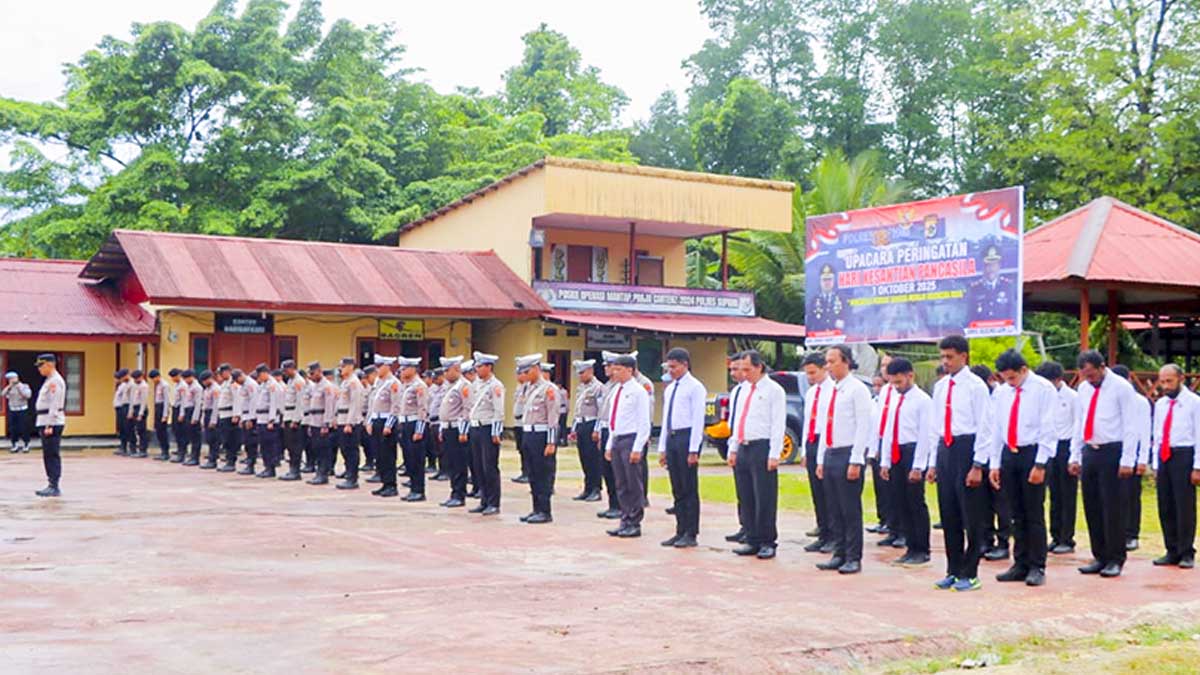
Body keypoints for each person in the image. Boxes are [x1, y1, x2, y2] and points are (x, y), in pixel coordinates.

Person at [930, 335, 995, 593]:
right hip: (946, 449)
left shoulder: (976, 386)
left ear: (963, 357)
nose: (945, 362)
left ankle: (971, 571)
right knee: (949, 514)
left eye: (950, 357)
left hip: (967, 449)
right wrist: (933, 463)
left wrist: (978, 464)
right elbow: (935, 425)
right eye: (943, 357)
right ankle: (953, 569)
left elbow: (985, 426)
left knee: (972, 515)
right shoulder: (941, 386)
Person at [1069, 350, 1142, 578]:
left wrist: (1128, 459)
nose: (1089, 379)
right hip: (1091, 449)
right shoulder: (1083, 389)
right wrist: (1075, 455)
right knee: (1092, 506)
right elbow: (1080, 422)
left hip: (1113, 451)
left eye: (1091, 374)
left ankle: (1115, 558)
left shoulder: (1121, 388)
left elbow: (1132, 425)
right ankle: (1099, 555)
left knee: (1113, 508)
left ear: (1102, 367)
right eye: (1084, 375)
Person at [990, 349, 1057, 587]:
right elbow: (997, 427)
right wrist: (995, 463)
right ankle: (1020, 563)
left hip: (1032, 453)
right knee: (1014, 513)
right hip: (1010, 453)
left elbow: (1049, 429)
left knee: (1033, 513)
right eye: (1004, 378)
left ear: (1023, 370)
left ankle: (1037, 565)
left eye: (1012, 378)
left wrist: (1040, 464)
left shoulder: (1043, 389)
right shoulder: (1002, 393)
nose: (1008, 383)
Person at [814, 345, 873, 574]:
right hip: (830, 452)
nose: (827, 366)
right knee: (833, 509)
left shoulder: (857, 389)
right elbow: (824, 426)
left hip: (848, 453)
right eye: (826, 362)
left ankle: (853, 556)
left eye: (831, 361)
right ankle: (838, 553)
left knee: (850, 509)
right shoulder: (830, 390)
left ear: (846, 361)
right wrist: (820, 459)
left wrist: (856, 459)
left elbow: (863, 427)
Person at [727, 351, 786, 559]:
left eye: (747, 369)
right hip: (743, 445)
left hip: (762, 446)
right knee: (746, 495)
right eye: (740, 369)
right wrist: (733, 448)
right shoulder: (742, 390)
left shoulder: (773, 390)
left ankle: (767, 540)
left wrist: (774, 453)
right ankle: (751, 538)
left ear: (759, 367)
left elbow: (778, 423)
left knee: (765, 496)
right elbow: (738, 421)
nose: (743, 374)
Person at [877, 357, 933, 566]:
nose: (896, 386)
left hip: (912, 451)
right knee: (899, 501)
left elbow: (925, 435)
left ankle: (922, 548)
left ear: (911, 376)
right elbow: (889, 430)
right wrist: (885, 461)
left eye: (899, 382)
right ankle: (910, 546)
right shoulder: (894, 398)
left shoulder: (923, 401)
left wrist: (918, 465)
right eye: (892, 383)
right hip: (895, 451)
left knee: (915, 502)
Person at [1150, 363, 1199, 569]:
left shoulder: (1194, 403)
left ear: (1181, 379)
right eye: (1162, 381)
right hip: (1164, 454)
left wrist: (1197, 466)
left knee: (1184, 505)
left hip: (1184, 454)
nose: (1165, 385)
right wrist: (1155, 463)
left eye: (1169, 381)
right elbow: (1157, 434)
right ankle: (1171, 549)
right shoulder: (1161, 404)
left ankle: (1186, 551)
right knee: (1165, 504)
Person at [657, 348, 706, 548]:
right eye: (669, 367)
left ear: (685, 364)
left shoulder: (695, 387)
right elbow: (665, 419)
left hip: (687, 437)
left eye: (674, 367)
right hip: (672, 437)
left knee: (689, 488)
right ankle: (680, 529)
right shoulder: (670, 389)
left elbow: (697, 420)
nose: (671, 371)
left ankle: (691, 532)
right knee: (677, 488)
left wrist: (694, 449)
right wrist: (662, 447)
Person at [604, 353, 652, 538]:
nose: (614, 372)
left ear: (630, 370)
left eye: (618, 369)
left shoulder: (639, 391)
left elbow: (644, 421)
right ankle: (624, 519)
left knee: (634, 483)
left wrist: (638, 447)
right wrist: (609, 444)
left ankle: (634, 521)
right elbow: (612, 421)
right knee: (621, 483)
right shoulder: (617, 390)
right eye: (614, 369)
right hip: (617, 438)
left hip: (631, 439)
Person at [1036, 361, 1078, 554]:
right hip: (1047, 446)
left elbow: (1078, 425)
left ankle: (1067, 538)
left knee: (1066, 494)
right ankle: (1055, 535)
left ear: (1059, 380)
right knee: (1052, 494)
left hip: (1065, 445)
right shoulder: (1042, 396)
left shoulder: (1071, 397)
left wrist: (1075, 456)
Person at [1110, 365, 1151, 552]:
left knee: (1131, 496)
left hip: (1132, 454)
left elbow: (1143, 431)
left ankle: (1131, 534)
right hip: (1113, 453)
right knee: (1114, 497)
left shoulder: (1139, 402)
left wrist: (1142, 459)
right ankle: (1116, 534)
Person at [971, 362, 1010, 562]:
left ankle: (1003, 543)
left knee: (1001, 502)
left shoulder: (1002, 395)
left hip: (999, 456)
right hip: (980, 455)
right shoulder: (977, 397)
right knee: (982, 502)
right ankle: (985, 540)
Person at [516, 354, 557, 524]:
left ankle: (545, 511)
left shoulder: (548, 389)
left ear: (536, 369)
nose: (524, 375)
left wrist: (551, 442)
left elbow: (553, 418)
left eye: (527, 371)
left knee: (543, 474)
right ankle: (536, 508)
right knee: (532, 473)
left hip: (541, 435)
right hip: (528, 433)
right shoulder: (528, 388)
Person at [467, 351, 505, 516]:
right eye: (476, 366)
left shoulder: (495, 386)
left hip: (488, 429)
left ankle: (493, 502)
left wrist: (496, 432)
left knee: (489, 466)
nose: (477, 369)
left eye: (480, 366)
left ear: (489, 367)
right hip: (476, 427)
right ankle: (483, 499)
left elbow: (499, 411)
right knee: (478, 466)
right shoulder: (476, 385)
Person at [724, 353, 752, 545]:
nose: (734, 373)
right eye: (732, 369)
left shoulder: (754, 390)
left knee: (753, 491)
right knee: (742, 489)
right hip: (738, 442)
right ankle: (745, 525)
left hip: (754, 444)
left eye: (738, 369)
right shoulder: (736, 391)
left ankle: (753, 528)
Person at [568, 359, 604, 502]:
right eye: (579, 373)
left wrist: (597, 430)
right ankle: (587, 488)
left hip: (592, 424)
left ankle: (596, 489)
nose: (580, 376)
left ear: (590, 371)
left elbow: (601, 411)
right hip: (582, 425)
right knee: (584, 458)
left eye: (582, 372)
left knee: (593, 459)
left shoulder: (598, 388)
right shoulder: (581, 388)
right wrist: (574, 428)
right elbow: (578, 410)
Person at [869, 354, 896, 544]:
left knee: (896, 488)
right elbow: (878, 420)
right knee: (882, 487)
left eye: (889, 365)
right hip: (881, 441)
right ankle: (888, 523)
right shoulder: (885, 390)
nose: (885, 368)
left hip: (897, 444)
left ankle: (900, 528)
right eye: (883, 365)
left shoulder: (900, 390)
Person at [437, 356, 470, 507]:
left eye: (447, 370)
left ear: (456, 369)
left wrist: (463, 431)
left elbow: (467, 410)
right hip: (447, 428)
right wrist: (441, 427)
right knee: (450, 463)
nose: (444, 374)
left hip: (458, 430)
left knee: (459, 463)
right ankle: (454, 492)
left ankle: (459, 494)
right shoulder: (448, 386)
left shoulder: (464, 386)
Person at [367, 355, 401, 496]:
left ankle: (391, 485)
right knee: (379, 455)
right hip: (376, 420)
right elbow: (372, 404)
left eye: (380, 366)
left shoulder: (393, 383)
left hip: (386, 423)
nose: (377, 369)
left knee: (388, 455)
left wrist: (389, 424)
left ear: (387, 367)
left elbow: (396, 406)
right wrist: (369, 421)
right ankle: (384, 482)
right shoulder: (378, 383)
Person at [33, 354, 66, 497]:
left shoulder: (55, 381)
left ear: (50, 365)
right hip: (45, 420)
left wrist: (49, 424)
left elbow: (54, 404)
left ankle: (54, 485)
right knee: (48, 454)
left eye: (42, 366)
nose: (40, 369)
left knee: (52, 454)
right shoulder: (49, 380)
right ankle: (51, 483)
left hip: (51, 421)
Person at [396, 356, 429, 501]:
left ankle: (419, 490)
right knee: (409, 458)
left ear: (412, 369)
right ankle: (413, 488)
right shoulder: (405, 385)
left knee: (417, 459)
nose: (401, 371)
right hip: (405, 424)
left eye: (404, 368)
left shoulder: (419, 386)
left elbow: (423, 409)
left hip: (415, 425)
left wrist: (419, 430)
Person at [594, 353, 622, 519]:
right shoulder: (607, 386)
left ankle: (619, 505)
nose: (605, 369)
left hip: (615, 430)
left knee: (615, 470)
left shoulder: (619, 386)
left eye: (608, 366)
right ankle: (612, 503)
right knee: (606, 469)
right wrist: (598, 430)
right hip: (605, 429)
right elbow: (602, 412)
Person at [333, 357, 366, 489]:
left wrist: (349, 423)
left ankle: (353, 478)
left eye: (343, 366)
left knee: (351, 450)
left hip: (350, 421)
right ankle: (348, 473)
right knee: (344, 449)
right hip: (342, 419)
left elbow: (355, 404)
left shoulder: (354, 383)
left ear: (350, 367)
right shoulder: (345, 382)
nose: (341, 368)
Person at [967, 245, 1016, 322]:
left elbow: (1012, 311)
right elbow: (970, 313)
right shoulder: (975, 289)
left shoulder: (1007, 286)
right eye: (988, 265)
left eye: (994, 265)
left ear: (999, 266)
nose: (991, 269)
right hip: (979, 329)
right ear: (983, 267)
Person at [279, 360, 306, 481]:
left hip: (294, 417)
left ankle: (296, 470)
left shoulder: (299, 382)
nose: (284, 373)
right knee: (289, 445)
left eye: (286, 370)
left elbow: (300, 402)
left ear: (291, 368)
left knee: (295, 446)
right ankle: (292, 469)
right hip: (288, 415)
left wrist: (296, 419)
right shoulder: (290, 381)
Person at [256, 366, 284, 479]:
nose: (259, 378)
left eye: (260, 375)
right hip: (261, 418)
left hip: (269, 419)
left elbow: (274, 404)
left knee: (270, 445)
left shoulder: (273, 385)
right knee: (263, 445)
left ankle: (271, 468)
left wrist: (271, 420)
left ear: (265, 373)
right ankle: (266, 466)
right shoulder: (263, 385)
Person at [236, 367, 261, 475]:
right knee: (246, 442)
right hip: (245, 416)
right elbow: (242, 403)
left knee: (251, 442)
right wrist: (242, 417)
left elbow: (253, 402)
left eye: (237, 379)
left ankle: (251, 465)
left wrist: (251, 418)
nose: (237, 382)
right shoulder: (243, 385)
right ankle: (249, 463)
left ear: (241, 375)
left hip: (251, 417)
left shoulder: (251, 384)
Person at [810, 263, 846, 332]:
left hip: (839, 338)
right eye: (824, 280)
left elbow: (848, 320)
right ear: (820, 281)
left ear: (834, 281)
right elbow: (810, 322)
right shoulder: (814, 300)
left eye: (829, 279)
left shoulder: (842, 299)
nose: (827, 283)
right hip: (819, 338)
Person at [4, 371, 33, 453]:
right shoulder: (9, 388)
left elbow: (28, 395)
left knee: (24, 427)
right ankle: (14, 444)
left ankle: (26, 444)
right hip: (13, 410)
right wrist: (9, 387)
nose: (11, 380)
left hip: (22, 409)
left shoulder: (24, 386)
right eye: (9, 379)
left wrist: (19, 387)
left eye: (12, 379)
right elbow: (3, 394)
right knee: (13, 428)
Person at [426, 368, 446, 480]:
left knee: (443, 449)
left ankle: (446, 471)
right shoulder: (435, 389)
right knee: (437, 449)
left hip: (440, 422)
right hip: (433, 422)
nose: (434, 380)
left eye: (436, 378)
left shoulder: (446, 389)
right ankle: (441, 470)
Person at [511, 371, 531, 485]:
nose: (518, 376)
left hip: (525, 423)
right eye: (517, 373)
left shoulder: (528, 387)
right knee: (521, 449)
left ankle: (528, 473)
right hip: (517, 422)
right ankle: (524, 472)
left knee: (526, 450)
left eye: (521, 373)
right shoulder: (519, 387)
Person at [359, 365, 379, 474]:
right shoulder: (372, 389)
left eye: (367, 377)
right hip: (367, 419)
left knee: (374, 445)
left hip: (376, 420)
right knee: (366, 443)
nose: (365, 380)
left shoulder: (376, 388)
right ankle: (370, 462)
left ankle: (374, 465)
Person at [147, 369, 170, 460]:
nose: (153, 381)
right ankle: (162, 451)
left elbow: (166, 401)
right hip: (158, 407)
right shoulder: (158, 385)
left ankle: (165, 452)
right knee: (158, 431)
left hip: (162, 408)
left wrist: (165, 415)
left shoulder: (165, 385)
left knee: (163, 431)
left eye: (154, 378)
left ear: (158, 376)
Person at [127, 369, 150, 458]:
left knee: (141, 430)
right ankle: (133, 448)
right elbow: (132, 399)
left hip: (141, 408)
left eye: (137, 378)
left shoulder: (144, 386)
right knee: (132, 428)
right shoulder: (134, 385)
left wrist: (140, 414)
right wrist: (130, 411)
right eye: (134, 379)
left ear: (141, 377)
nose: (136, 380)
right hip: (135, 407)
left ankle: (143, 450)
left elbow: (144, 401)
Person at [112, 368, 131, 456]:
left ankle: (127, 447)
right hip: (119, 408)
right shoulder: (120, 386)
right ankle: (122, 446)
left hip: (124, 407)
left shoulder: (128, 385)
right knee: (121, 428)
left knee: (126, 428)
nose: (115, 380)